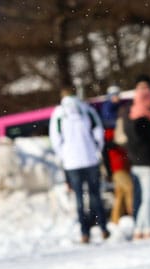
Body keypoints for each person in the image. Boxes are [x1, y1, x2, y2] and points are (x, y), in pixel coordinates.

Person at [48, 84, 109, 244]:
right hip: (90, 159)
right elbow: (98, 132)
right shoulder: (86, 109)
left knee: (79, 199)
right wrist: (96, 151)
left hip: (72, 162)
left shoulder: (59, 113)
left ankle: (85, 232)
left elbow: (55, 139)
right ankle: (103, 227)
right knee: (95, 195)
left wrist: (64, 156)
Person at [124, 77, 150, 238]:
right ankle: (146, 228)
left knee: (145, 198)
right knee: (149, 198)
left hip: (136, 162)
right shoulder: (143, 119)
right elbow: (146, 142)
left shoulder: (130, 114)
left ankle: (139, 228)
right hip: (146, 162)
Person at [104, 126, 133, 224]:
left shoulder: (114, 132)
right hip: (118, 168)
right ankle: (133, 214)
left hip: (121, 167)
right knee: (130, 189)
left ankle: (115, 219)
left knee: (119, 194)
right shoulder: (109, 135)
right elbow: (107, 150)